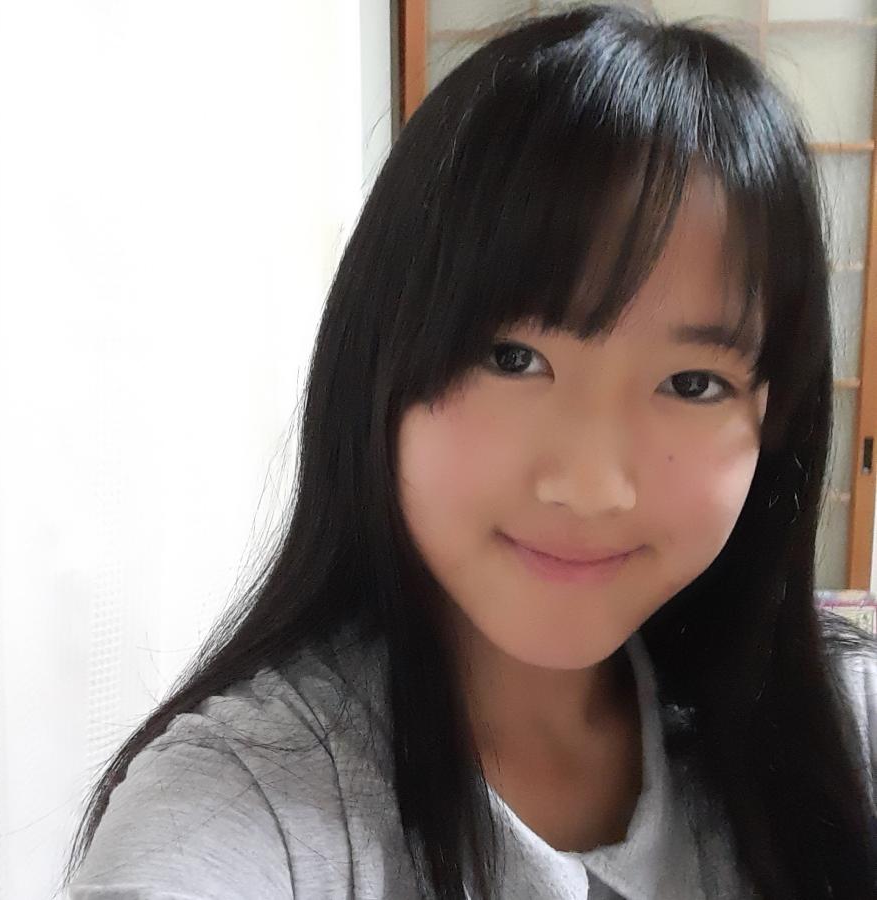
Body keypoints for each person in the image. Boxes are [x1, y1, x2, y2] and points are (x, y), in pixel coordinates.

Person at [61, 3, 877, 898]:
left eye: (691, 383)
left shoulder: (847, 727)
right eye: (513, 359)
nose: (590, 486)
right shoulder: (242, 803)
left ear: (772, 416)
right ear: (382, 362)